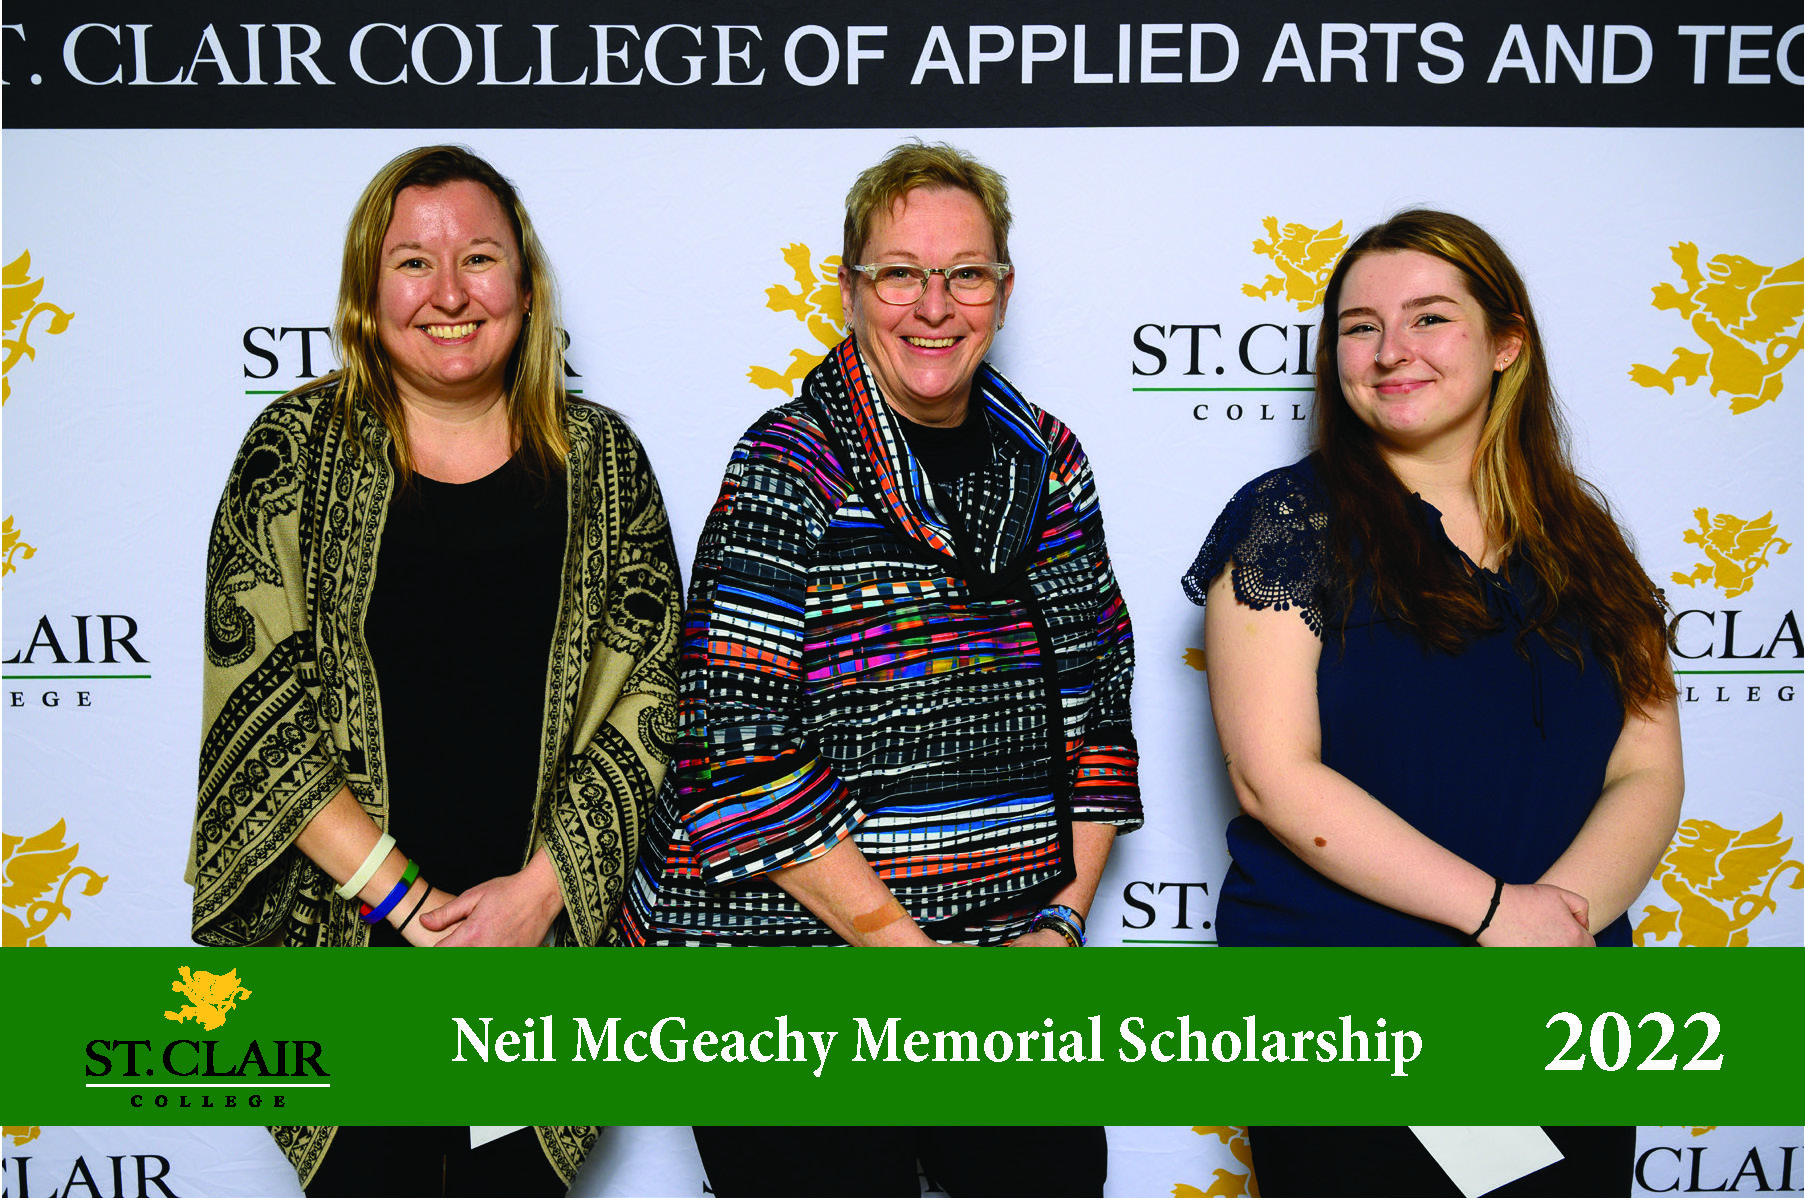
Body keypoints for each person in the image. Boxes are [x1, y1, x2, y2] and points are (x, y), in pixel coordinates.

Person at [624, 141, 1140, 1196]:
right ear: (849, 288)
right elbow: (739, 750)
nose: (933, 306)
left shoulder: (1051, 462)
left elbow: (1101, 713)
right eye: (900, 272)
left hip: (1000, 962)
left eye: (965, 273)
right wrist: (907, 962)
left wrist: (1056, 927)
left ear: (1004, 290)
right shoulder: (787, 464)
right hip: (787, 972)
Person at [187, 146, 682, 1196]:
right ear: (368, 294)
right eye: (413, 262)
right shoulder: (292, 453)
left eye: (480, 259)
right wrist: (413, 911)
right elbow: (259, 710)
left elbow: (651, 696)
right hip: (348, 948)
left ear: (526, 287)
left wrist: (532, 901)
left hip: (541, 954)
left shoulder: (603, 462)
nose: (450, 294)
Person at [1183, 210, 1683, 1196]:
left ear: (1505, 343)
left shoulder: (1584, 536)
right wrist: (1496, 916)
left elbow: (1645, 764)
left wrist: (1554, 928)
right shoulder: (1289, 520)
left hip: (1555, 1010)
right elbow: (1272, 775)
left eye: (1428, 318)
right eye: (1358, 326)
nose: (1389, 350)